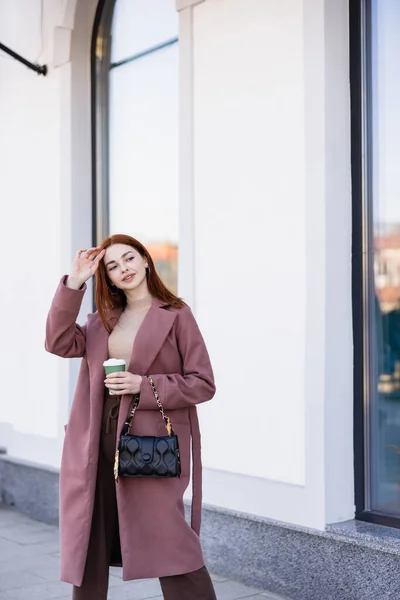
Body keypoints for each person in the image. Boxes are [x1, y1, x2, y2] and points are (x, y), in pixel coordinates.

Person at [45, 233, 217, 600]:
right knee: (88, 537)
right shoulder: (100, 322)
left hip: (150, 444)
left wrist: (145, 384)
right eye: (112, 266)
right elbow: (57, 342)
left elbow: (203, 383)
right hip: (95, 443)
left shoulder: (176, 315)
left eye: (128, 258)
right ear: (105, 277)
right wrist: (74, 282)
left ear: (145, 260)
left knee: (170, 539)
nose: (123, 268)